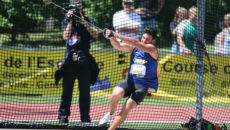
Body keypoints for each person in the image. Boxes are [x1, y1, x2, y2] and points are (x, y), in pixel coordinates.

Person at [99, 26, 160, 130]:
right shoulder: (133, 48)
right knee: (115, 95)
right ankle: (111, 113)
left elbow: (136, 42)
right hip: (130, 81)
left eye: (147, 39)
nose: (144, 40)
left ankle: (111, 129)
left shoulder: (152, 50)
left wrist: (116, 34)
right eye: (143, 38)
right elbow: (118, 46)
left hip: (143, 86)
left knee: (127, 106)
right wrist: (111, 38)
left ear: (152, 41)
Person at [55, 0, 99, 123]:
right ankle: (63, 116)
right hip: (70, 59)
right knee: (67, 91)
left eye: (79, 2)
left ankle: (85, 118)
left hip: (84, 58)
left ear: (81, 5)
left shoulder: (89, 19)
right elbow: (65, 37)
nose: (77, 4)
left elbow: (96, 35)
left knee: (85, 91)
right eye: (74, 2)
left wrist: (83, 22)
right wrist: (70, 21)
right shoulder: (66, 20)